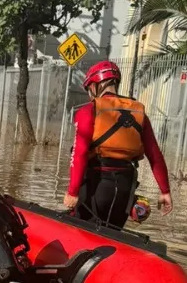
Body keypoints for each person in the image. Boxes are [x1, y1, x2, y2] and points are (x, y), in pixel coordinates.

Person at [63, 61, 172, 228]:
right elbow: (154, 154)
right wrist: (165, 191)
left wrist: (72, 192)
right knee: (114, 231)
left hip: (97, 183)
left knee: (82, 229)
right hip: (125, 187)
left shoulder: (89, 110)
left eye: (89, 90)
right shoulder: (138, 112)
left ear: (94, 86)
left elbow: (80, 153)